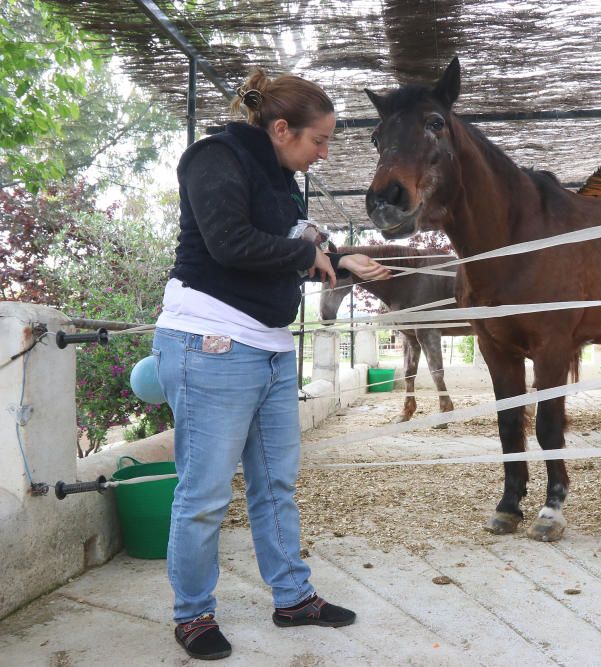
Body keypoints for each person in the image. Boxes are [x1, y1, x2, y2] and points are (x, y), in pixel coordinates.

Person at [152, 69, 390, 661]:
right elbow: (231, 242)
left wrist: (339, 258)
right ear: (282, 128)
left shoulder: (283, 177)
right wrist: (308, 251)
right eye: (320, 140)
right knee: (204, 492)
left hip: (271, 345)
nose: (324, 153)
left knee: (276, 485)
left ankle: (293, 597)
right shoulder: (214, 157)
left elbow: (280, 246)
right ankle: (193, 614)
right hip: (210, 341)